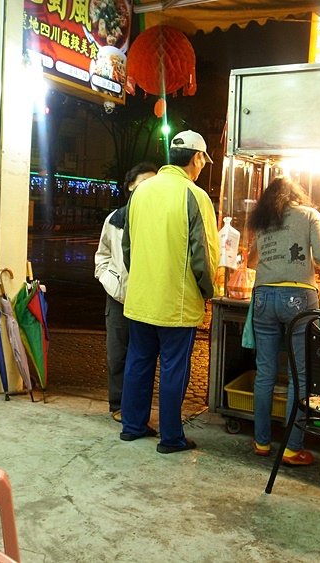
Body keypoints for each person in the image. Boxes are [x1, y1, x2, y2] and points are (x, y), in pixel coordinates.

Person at [120, 130, 220, 454]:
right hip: (176, 301)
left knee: (138, 361)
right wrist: (208, 291)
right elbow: (204, 255)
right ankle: (171, 437)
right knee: (175, 367)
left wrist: (142, 279)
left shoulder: (141, 192)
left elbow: (127, 247)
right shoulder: (194, 195)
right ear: (197, 159)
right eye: (203, 160)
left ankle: (132, 426)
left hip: (141, 297)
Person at [248, 176, 320, 466]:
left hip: (262, 297)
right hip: (299, 297)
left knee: (265, 373)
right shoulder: (309, 215)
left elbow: (252, 260)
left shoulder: (262, 219)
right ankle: (291, 448)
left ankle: (261, 442)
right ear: (296, 194)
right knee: (300, 375)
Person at [94, 162, 158, 423]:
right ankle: (118, 405)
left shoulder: (159, 220)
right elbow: (102, 255)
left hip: (149, 298)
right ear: (130, 186)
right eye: (143, 183)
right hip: (119, 298)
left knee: (143, 357)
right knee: (118, 354)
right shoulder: (115, 219)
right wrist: (112, 282)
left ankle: (137, 408)